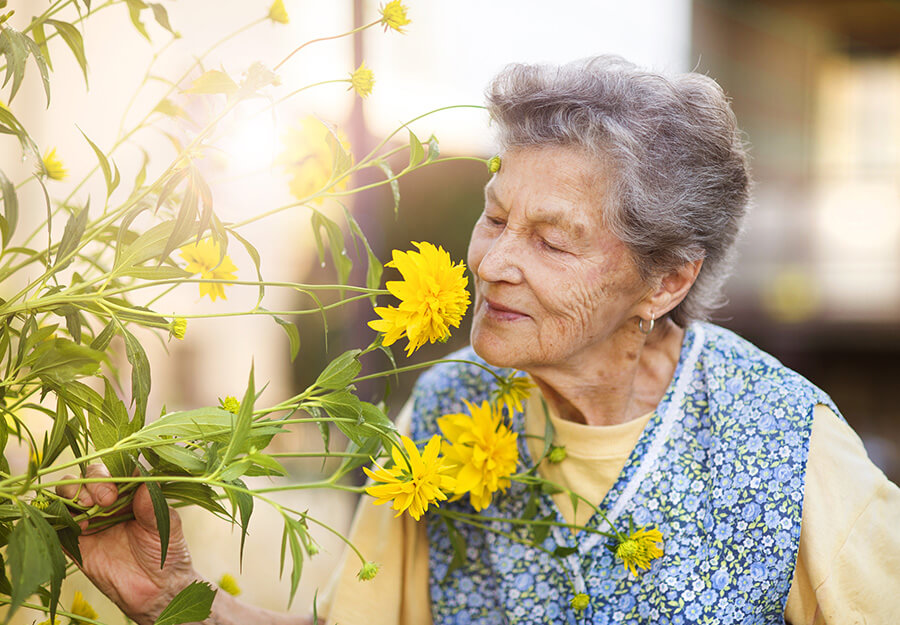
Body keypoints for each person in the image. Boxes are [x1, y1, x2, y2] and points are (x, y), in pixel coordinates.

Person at [63, 56, 900, 625]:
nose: (492, 261)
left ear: (667, 279)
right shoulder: (442, 406)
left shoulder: (787, 442)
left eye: (552, 240)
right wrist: (174, 597)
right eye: (495, 215)